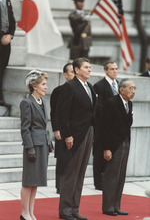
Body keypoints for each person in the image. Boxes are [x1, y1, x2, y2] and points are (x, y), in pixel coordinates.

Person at [58, 58, 96, 220]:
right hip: (74, 135)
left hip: (88, 132)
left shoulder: (90, 87)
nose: (89, 70)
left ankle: (74, 209)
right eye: (86, 67)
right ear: (77, 70)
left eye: (90, 67)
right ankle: (65, 210)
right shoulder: (69, 87)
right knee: (71, 173)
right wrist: (67, 135)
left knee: (80, 173)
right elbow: (63, 113)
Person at [101, 78, 136, 216]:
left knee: (121, 176)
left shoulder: (130, 104)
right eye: (130, 88)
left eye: (134, 88)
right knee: (111, 176)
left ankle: (116, 205)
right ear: (121, 90)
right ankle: (108, 206)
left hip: (125, 142)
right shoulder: (111, 103)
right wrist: (106, 148)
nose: (133, 91)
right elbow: (105, 128)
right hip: (113, 144)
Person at [20, 69, 50, 220]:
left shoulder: (43, 101)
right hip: (32, 146)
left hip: (42, 144)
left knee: (36, 180)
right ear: (34, 86)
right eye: (43, 84)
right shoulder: (26, 102)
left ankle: (31, 212)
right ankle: (24, 212)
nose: (46, 87)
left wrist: (48, 141)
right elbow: (25, 128)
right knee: (28, 181)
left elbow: (43, 125)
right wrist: (29, 148)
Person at [93, 61, 118, 190]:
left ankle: (109, 180)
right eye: (112, 69)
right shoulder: (99, 86)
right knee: (99, 154)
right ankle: (98, 183)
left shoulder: (119, 85)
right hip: (102, 126)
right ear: (105, 71)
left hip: (115, 128)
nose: (115, 71)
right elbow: (99, 108)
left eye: (116, 69)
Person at [50, 63, 75, 194]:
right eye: (71, 72)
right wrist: (56, 129)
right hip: (62, 130)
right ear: (65, 75)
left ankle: (71, 185)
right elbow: (54, 112)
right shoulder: (58, 91)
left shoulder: (81, 89)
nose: (74, 74)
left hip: (76, 130)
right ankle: (60, 186)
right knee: (62, 158)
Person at [0, 0, 16, 107]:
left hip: (6, 41)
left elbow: (12, 19)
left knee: (1, 69)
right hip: (1, 38)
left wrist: (10, 34)